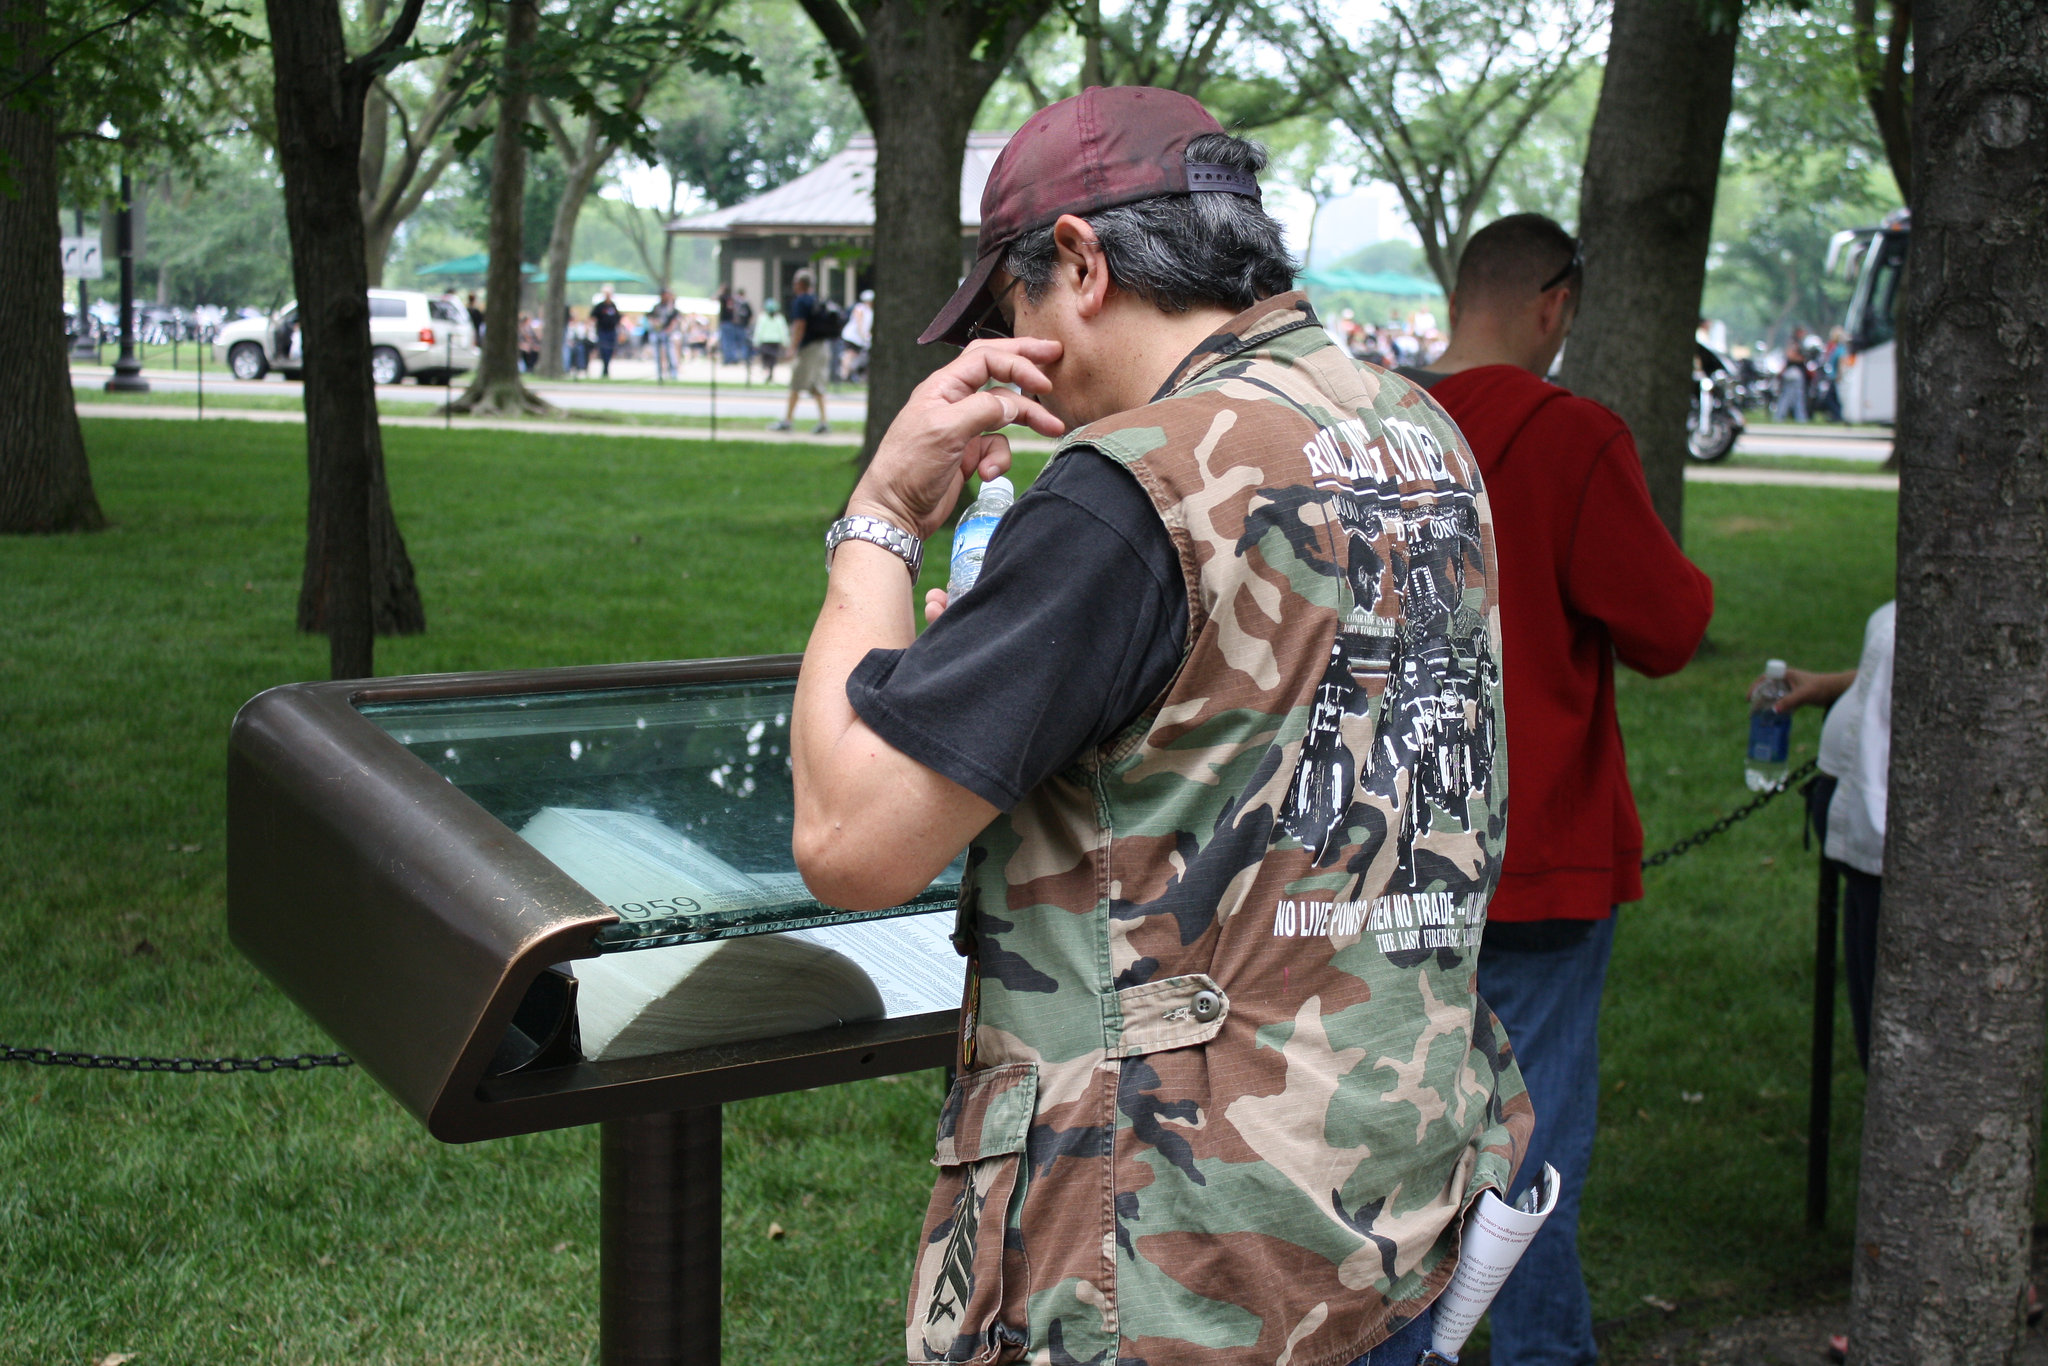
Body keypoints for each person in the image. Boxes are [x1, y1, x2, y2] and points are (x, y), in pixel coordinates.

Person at [788, 85, 1530, 1366]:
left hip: (1169, 1265)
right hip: (1389, 1217)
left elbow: (851, 837)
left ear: (1076, 262)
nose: (1013, 356)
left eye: (1010, 310)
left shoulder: (1131, 482)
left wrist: (882, 517)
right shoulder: (1418, 431)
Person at [1395, 212, 1715, 1366]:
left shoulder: (1374, 425)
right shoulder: (1569, 435)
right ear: (1553, 301)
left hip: (1385, 857)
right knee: (1523, 1169)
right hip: (1535, 860)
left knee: (1392, 1160)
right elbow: (1668, 624)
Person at [1763, 602, 1894, 1067]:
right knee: (1878, 1030)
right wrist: (1841, 686)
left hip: (1893, 856)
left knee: (1898, 1040)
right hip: (1867, 858)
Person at [769, 268, 833, 434]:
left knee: (796, 384)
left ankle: (787, 421)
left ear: (800, 284)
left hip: (809, 348)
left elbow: (799, 325)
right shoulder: (817, 300)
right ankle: (823, 422)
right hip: (823, 347)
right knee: (817, 385)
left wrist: (792, 348)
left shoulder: (801, 301)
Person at [750, 297, 788, 382]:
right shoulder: (774, 318)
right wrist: (785, 342)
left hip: (769, 341)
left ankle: (769, 372)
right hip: (769, 341)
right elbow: (783, 331)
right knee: (770, 358)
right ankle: (768, 371)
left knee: (770, 358)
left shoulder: (773, 318)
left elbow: (759, 330)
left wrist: (756, 341)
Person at [647, 288, 681, 381]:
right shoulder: (657, 307)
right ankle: (659, 373)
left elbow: (675, 319)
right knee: (658, 354)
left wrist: (669, 329)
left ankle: (673, 373)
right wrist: (655, 323)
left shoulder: (671, 309)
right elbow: (650, 316)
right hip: (658, 332)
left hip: (668, 333)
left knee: (670, 353)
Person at [840, 287, 874, 381]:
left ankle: (849, 375)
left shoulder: (870, 311)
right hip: (852, 337)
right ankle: (844, 376)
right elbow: (859, 322)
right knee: (849, 354)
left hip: (859, 339)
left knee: (855, 356)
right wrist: (863, 335)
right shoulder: (860, 308)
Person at [590, 285, 623, 379]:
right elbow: (593, 317)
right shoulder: (600, 306)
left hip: (611, 331)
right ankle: (605, 368)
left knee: (610, 350)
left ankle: (606, 368)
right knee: (603, 349)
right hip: (602, 331)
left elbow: (618, 319)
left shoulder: (613, 306)